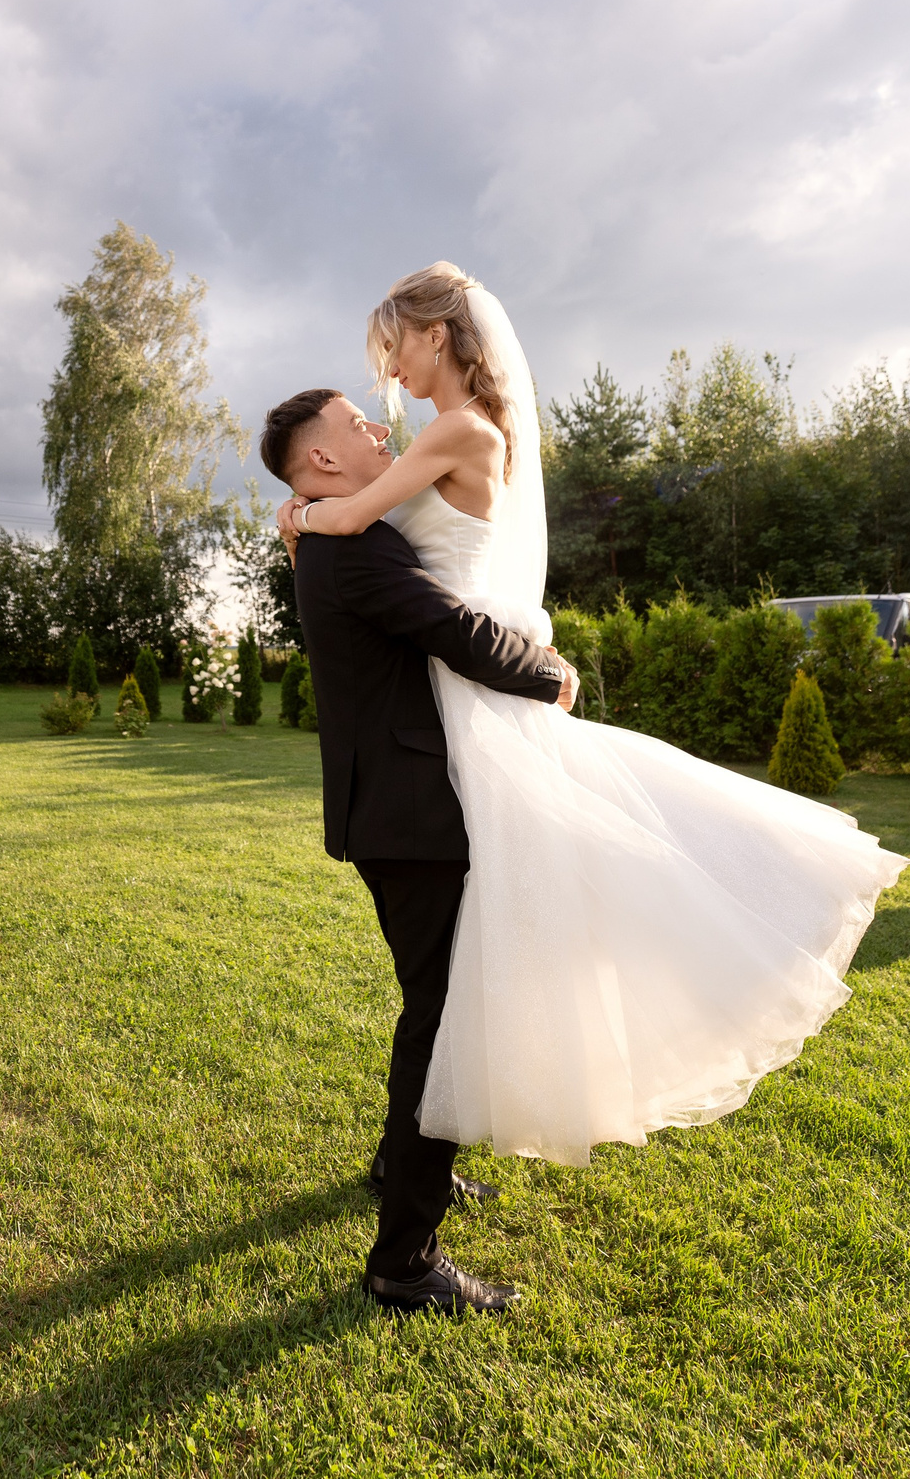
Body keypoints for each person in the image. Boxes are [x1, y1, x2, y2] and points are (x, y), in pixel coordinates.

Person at [270, 262, 908, 1215]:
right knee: (452, 993)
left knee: (487, 960)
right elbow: (402, 572)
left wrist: (299, 516)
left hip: (458, 715)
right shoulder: (405, 476)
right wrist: (308, 515)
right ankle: (408, 1217)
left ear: (436, 336)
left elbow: (376, 528)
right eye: (358, 412)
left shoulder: (451, 436)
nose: (385, 385)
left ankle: (415, 1160)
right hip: (441, 732)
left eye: (394, 346)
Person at [262, 384, 579, 1314]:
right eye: (356, 425)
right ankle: (404, 1259)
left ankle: (404, 1169)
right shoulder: (350, 543)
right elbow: (450, 627)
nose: (376, 430)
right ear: (320, 460)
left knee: (431, 1001)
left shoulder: (329, 528)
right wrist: (549, 673)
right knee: (439, 1015)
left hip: (390, 809)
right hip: (411, 814)